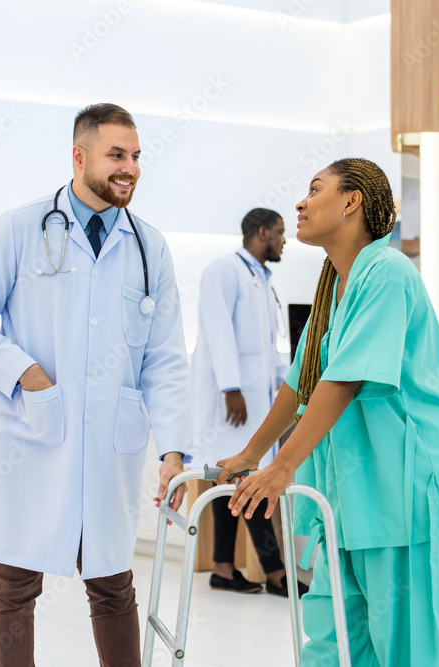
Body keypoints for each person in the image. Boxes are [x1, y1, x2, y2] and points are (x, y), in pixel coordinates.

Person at [0, 103, 192, 667]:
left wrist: (174, 449)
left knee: (111, 583)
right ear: (79, 156)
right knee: (14, 581)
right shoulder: (21, 227)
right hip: (35, 433)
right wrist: (27, 376)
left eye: (135, 156)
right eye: (116, 155)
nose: (129, 167)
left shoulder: (150, 247)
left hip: (110, 443)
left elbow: (166, 358)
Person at [216, 158, 439, 666]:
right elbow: (301, 382)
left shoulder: (386, 273)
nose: (300, 202)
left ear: (351, 200)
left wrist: (283, 464)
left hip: (408, 493)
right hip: (349, 500)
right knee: (332, 643)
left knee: (407, 650)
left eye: (315, 189)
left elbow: (343, 380)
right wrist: (251, 453)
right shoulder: (332, 288)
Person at [191, 208, 306, 597]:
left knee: (231, 481)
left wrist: (286, 384)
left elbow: (267, 346)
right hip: (233, 401)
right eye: (279, 232)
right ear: (261, 233)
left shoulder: (263, 279)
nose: (284, 240)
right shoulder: (224, 271)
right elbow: (218, 330)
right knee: (245, 479)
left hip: (256, 399)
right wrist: (230, 387)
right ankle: (274, 572)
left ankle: (224, 568)